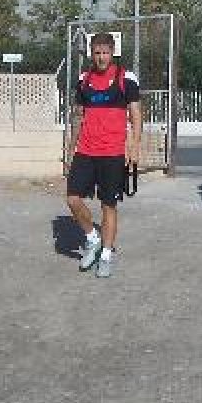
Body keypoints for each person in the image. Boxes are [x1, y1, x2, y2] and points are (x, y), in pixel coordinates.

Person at [66, 32, 142, 278]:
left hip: (112, 153)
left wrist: (134, 146)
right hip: (86, 150)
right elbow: (78, 116)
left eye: (105, 53)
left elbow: (136, 115)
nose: (101, 57)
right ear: (92, 53)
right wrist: (70, 147)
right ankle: (92, 238)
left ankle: (106, 254)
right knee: (73, 199)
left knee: (108, 205)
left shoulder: (125, 78)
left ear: (112, 52)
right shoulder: (84, 79)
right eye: (97, 53)